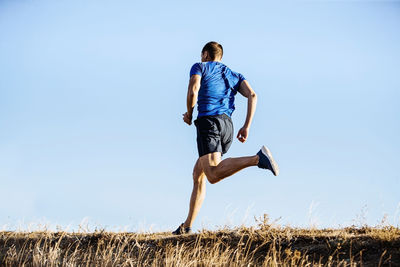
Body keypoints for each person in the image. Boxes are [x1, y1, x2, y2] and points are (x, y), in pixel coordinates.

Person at [172, 41, 279, 235]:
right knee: (199, 173)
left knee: (212, 174)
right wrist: (246, 126)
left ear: (205, 54)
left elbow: (193, 90)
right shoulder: (234, 74)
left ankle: (258, 159)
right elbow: (253, 95)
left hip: (209, 122)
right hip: (227, 125)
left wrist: (189, 113)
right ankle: (187, 226)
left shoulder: (200, 67)